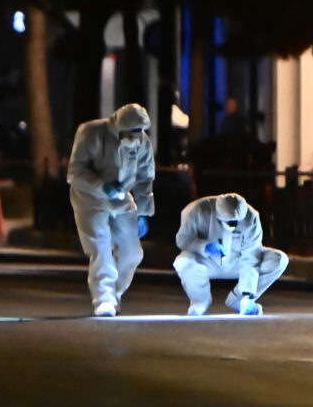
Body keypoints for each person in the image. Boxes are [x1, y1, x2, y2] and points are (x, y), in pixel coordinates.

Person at [68, 103, 155, 317]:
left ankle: (115, 292)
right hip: (90, 199)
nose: (136, 136)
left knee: (132, 253)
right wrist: (100, 186)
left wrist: (143, 211)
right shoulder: (91, 133)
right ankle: (103, 298)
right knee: (100, 248)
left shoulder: (142, 142)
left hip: (121, 198)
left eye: (140, 131)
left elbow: (145, 178)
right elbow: (75, 171)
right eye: (131, 131)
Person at [173, 193, 287, 316]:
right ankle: (199, 302)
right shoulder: (197, 210)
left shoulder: (251, 216)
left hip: (237, 262)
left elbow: (251, 254)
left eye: (236, 222)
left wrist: (247, 294)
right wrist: (205, 246)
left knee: (278, 259)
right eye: (229, 222)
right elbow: (183, 240)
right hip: (207, 261)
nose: (233, 225)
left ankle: (239, 301)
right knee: (183, 261)